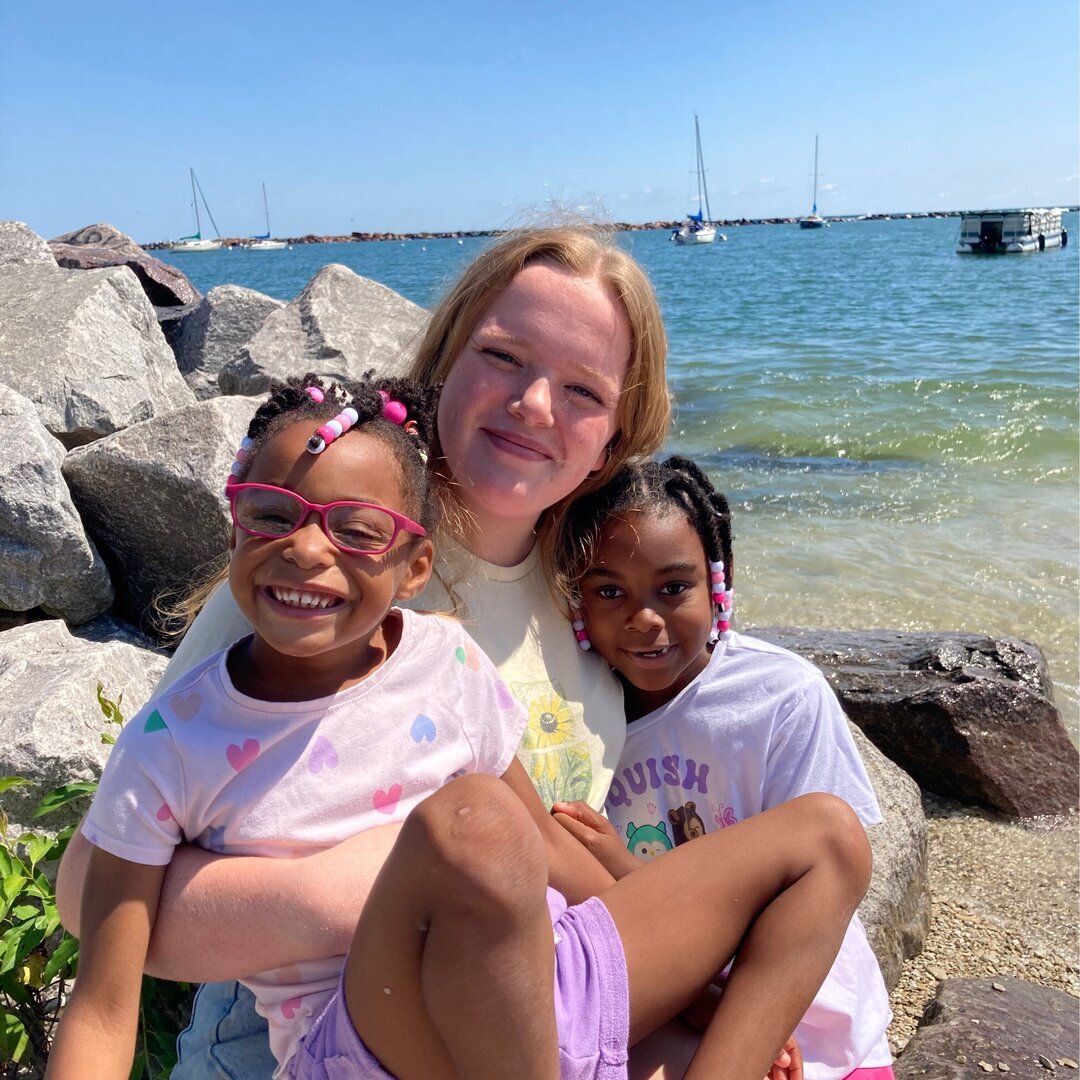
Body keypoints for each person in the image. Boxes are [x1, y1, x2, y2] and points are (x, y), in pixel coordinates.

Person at [52, 224, 842, 1077]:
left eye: (582, 389)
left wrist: (694, 990)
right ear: (443, 366)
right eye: (503, 356)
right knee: (475, 831)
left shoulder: (590, 590)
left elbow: (557, 848)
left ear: (614, 439)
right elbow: (84, 895)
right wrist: (355, 888)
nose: (535, 404)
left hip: (532, 1011)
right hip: (300, 1039)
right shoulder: (321, 587)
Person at [548, 455, 895, 1080]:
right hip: (670, 1000)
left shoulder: (780, 697)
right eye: (609, 592)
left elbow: (823, 887)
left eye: (673, 588)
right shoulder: (572, 719)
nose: (645, 619)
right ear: (576, 598)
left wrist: (628, 873)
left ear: (718, 578)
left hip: (811, 1017)